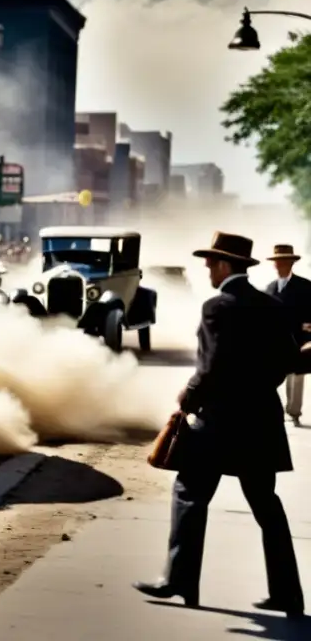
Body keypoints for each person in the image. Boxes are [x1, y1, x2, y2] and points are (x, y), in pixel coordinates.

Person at [133, 232, 304, 619]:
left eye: (211, 264)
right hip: (261, 420)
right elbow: (289, 361)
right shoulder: (271, 306)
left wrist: (188, 396)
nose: (208, 270)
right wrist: (259, 387)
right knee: (267, 507)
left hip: (219, 423)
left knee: (189, 493)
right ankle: (288, 595)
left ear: (225, 265)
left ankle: (180, 581)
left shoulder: (216, 307)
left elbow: (210, 367)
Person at [264, 244, 311, 427]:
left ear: (291, 263)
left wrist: (309, 337)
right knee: (270, 376)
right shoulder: (269, 288)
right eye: (277, 261)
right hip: (274, 341)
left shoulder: (305, 286)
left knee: (296, 377)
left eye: (283, 261)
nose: (279, 264)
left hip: (298, 339)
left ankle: (293, 411)